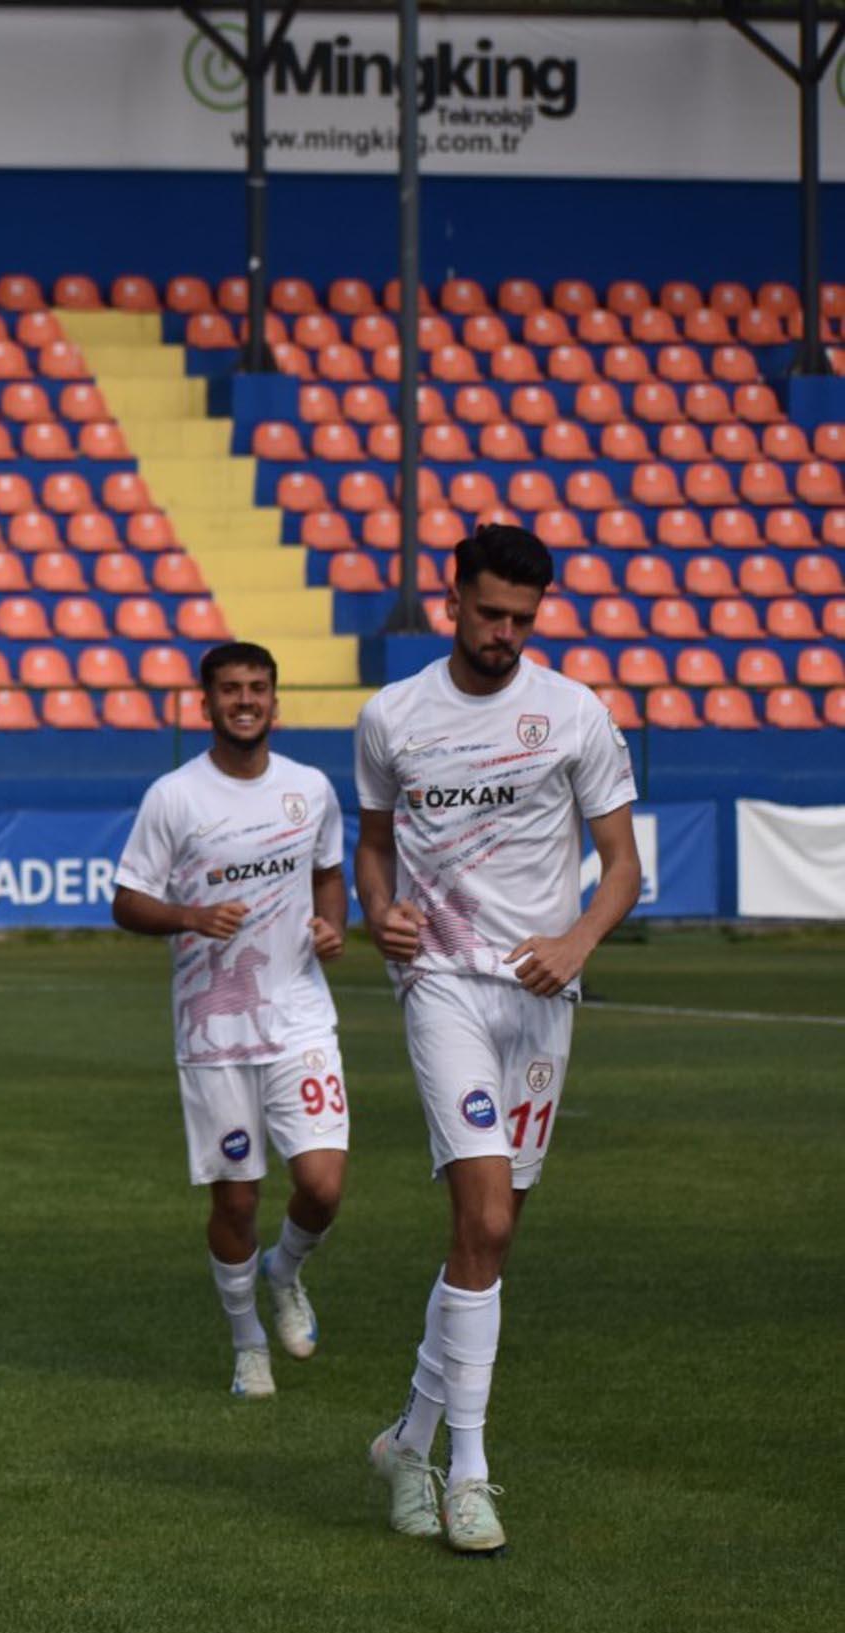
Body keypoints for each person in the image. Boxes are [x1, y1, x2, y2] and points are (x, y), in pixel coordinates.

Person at [355, 525, 641, 1556]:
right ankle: (469, 1474)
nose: (505, 633)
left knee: (492, 1236)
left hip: (541, 997)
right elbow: (372, 848)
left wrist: (578, 940)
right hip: (442, 985)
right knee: (478, 1210)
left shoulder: (574, 713)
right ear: (453, 601)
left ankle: (407, 1442)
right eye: (489, 614)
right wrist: (379, 911)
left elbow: (621, 866)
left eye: (523, 618)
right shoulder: (392, 716)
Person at [111, 643, 351, 1400]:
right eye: (230, 690)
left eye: (257, 688)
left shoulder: (310, 788)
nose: (245, 700)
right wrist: (190, 916)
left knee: (322, 1186)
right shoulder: (175, 797)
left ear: (275, 700)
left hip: (299, 1014)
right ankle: (248, 1342)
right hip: (212, 1032)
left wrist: (333, 927)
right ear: (206, 703)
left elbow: (329, 873)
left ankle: (286, 1270)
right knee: (237, 1199)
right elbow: (126, 900)